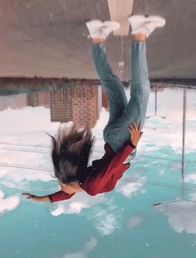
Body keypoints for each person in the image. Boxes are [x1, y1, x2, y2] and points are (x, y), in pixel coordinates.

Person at [22, 15, 166, 203]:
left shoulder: (92, 187)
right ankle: (97, 37)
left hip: (123, 141)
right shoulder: (83, 182)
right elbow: (68, 191)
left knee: (141, 93)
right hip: (112, 137)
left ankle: (140, 32)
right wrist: (45, 199)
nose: (61, 188)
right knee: (113, 87)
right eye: (61, 186)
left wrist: (132, 143)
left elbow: (113, 167)